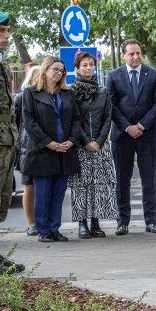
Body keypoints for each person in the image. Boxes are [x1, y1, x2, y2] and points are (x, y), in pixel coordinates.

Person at [106, 39, 156, 235]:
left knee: (149, 179)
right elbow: (111, 105)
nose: (136, 57)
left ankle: (151, 220)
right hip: (122, 136)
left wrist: (141, 125)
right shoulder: (113, 76)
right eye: (131, 54)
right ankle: (122, 222)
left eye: (138, 53)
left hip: (146, 135)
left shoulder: (154, 74)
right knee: (122, 180)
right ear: (123, 55)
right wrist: (127, 127)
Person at [21, 56, 82, 243]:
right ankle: (43, 230)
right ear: (45, 70)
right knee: (42, 193)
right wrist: (48, 142)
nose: (58, 73)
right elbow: (29, 122)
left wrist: (71, 141)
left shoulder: (67, 93)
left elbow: (76, 120)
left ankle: (55, 229)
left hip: (64, 150)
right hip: (43, 151)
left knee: (58, 193)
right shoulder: (31, 93)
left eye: (61, 70)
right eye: (55, 69)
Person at [67, 51, 118, 239]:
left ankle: (96, 222)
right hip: (80, 146)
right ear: (77, 68)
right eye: (85, 65)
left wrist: (99, 141)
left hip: (100, 145)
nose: (89, 68)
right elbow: (74, 120)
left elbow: (107, 117)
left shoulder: (102, 91)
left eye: (91, 65)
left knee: (99, 184)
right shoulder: (70, 91)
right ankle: (82, 223)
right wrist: (86, 141)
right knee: (81, 185)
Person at [0, 12, 24, 273]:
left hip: (5, 142)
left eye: (7, 31)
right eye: (1, 31)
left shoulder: (3, 65)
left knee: (3, 198)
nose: (7, 36)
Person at [14, 65, 41, 237]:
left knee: (45, 187)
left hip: (45, 147)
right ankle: (31, 224)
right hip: (26, 148)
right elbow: (15, 124)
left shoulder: (49, 96)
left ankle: (45, 222)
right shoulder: (21, 98)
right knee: (29, 186)